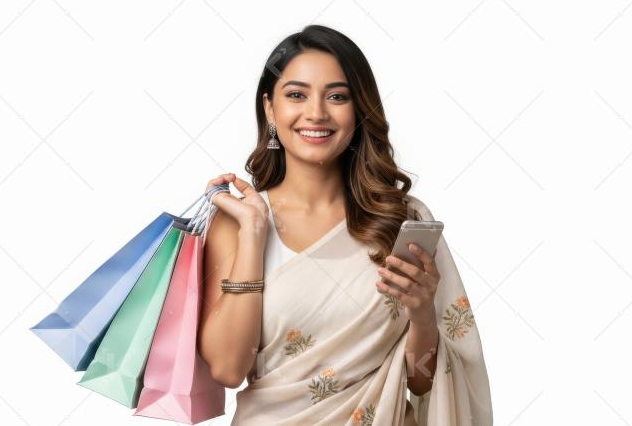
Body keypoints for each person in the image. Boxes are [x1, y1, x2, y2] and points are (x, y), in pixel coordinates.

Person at [197, 24, 492, 425]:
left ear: (359, 109)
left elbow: (421, 384)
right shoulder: (237, 223)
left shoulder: (401, 221)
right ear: (270, 108)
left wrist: (422, 315)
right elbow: (229, 370)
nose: (316, 113)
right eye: (296, 94)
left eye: (337, 96)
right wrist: (253, 233)